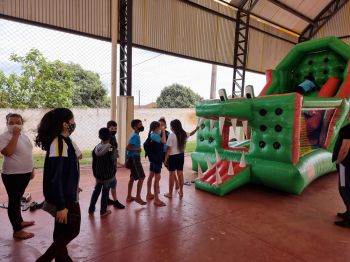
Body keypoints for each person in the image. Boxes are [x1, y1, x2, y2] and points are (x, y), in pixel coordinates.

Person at [35, 108, 80, 262]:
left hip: (67, 193)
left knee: (61, 231)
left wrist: (73, 184)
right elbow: (56, 177)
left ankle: (63, 259)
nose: (74, 124)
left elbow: (66, 171)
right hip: (65, 199)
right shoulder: (59, 143)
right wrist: (61, 206)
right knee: (72, 230)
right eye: (72, 121)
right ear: (65, 124)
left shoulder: (64, 141)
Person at [0, 113, 35, 240]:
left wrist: (31, 169)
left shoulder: (24, 136)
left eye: (18, 122)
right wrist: (14, 135)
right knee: (14, 202)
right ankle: (17, 231)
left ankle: (19, 221)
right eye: (11, 122)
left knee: (18, 198)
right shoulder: (4, 137)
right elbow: (8, 152)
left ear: (22, 124)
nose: (15, 125)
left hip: (24, 173)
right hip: (12, 175)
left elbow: (29, 154)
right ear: (6, 124)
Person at [164, 119, 198, 198]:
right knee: (180, 173)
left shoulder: (172, 135)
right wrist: (197, 128)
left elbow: (168, 149)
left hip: (173, 157)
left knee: (171, 175)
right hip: (181, 156)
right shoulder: (183, 134)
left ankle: (170, 193)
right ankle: (181, 192)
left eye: (171, 126)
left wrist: (165, 159)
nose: (170, 127)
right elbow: (191, 133)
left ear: (173, 126)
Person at [88, 128, 116, 217]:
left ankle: (91, 208)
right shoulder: (111, 148)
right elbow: (113, 160)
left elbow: (94, 160)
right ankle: (103, 211)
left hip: (98, 174)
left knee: (96, 191)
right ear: (109, 136)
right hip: (108, 175)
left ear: (99, 136)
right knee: (105, 192)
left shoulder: (96, 148)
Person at [332, 114, 350, 228]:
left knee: (344, 189)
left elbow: (344, 149)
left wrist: (338, 161)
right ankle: (348, 212)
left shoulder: (347, 129)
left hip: (346, 165)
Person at [126, 119, 146, 205]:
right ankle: (138, 197)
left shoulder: (136, 135)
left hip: (134, 158)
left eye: (141, 124)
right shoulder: (134, 136)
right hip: (134, 159)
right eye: (139, 125)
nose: (141, 126)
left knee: (132, 177)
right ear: (135, 127)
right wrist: (137, 149)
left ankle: (129, 196)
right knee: (141, 177)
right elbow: (128, 147)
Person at [146, 121, 166, 206]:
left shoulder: (153, 135)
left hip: (154, 159)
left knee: (151, 176)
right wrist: (164, 131)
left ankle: (149, 193)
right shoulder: (154, 136)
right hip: (156, 159)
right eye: (159, 127)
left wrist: (162, 130)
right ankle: (156, 199)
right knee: (157, 178)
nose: (160, 129)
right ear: (155, 128)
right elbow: (163, 141)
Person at [106, 120, 125, 209]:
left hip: (112, 164)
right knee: (112, 182)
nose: (114, 130)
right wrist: (115, 161)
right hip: (110, 165)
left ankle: (107, 199)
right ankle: (115, 200)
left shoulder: (112, 137)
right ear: (108, 129)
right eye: (112, 128)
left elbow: (113, 150)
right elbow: (110, 151)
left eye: (115, 128)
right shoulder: (109, 138)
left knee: (110, 183)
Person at [159, 117, 179, 191]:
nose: (161, 126)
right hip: (159, 153)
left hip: (165, 153)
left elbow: (169, 145)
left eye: (162, 124)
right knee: (157, 171)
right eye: (159, 124)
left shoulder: (168, 133)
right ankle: (157, 186)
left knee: (170, 170)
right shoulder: (156, 133)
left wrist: (167, 156)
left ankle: (176, 183)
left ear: (165, 125)